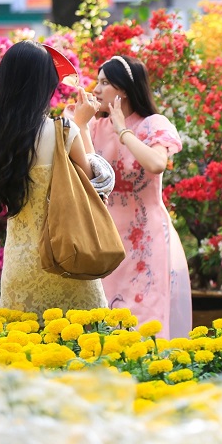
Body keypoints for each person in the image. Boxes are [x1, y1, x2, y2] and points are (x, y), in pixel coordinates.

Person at [0, 40, 107, 314]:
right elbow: (96, 184)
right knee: (82, 349)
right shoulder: (63, 131)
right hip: (65, 258)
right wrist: (82, 126)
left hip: (19, 262)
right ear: (43, 85)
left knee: (24, 349)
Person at [76, 55, 191, 339]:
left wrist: (123, 131)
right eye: (97, 82)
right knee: (105, 320)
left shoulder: (153, 124)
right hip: (106, 237)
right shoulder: (94, 128)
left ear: (123, 89)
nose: (97, 89)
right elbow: (89, 172)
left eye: (105, 82)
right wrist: (79, 125)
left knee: (145, 318)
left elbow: (156, 164)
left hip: (147, 238)